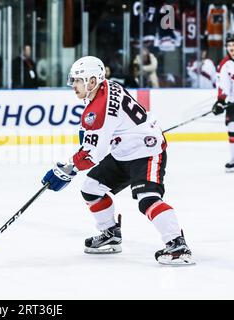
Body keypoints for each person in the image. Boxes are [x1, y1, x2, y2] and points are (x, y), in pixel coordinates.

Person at [41, 56, 194, 266]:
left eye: (77, 80)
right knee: (91, 189)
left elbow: (92, 155)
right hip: (124, 151)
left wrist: (68, 168)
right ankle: (110, 233)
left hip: (146, 152)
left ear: (92, 81)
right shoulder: (108, 86)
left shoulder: (99, 108)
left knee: (147, 199)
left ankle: (177, 244)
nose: (73, 85)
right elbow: (95, 139)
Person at [212, 32, 234, 172]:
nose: (231, 48)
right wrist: (220, 102)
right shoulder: (224, 64)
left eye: (233, 45)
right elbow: (223, 86)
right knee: (233, 129)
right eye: (229, 45)